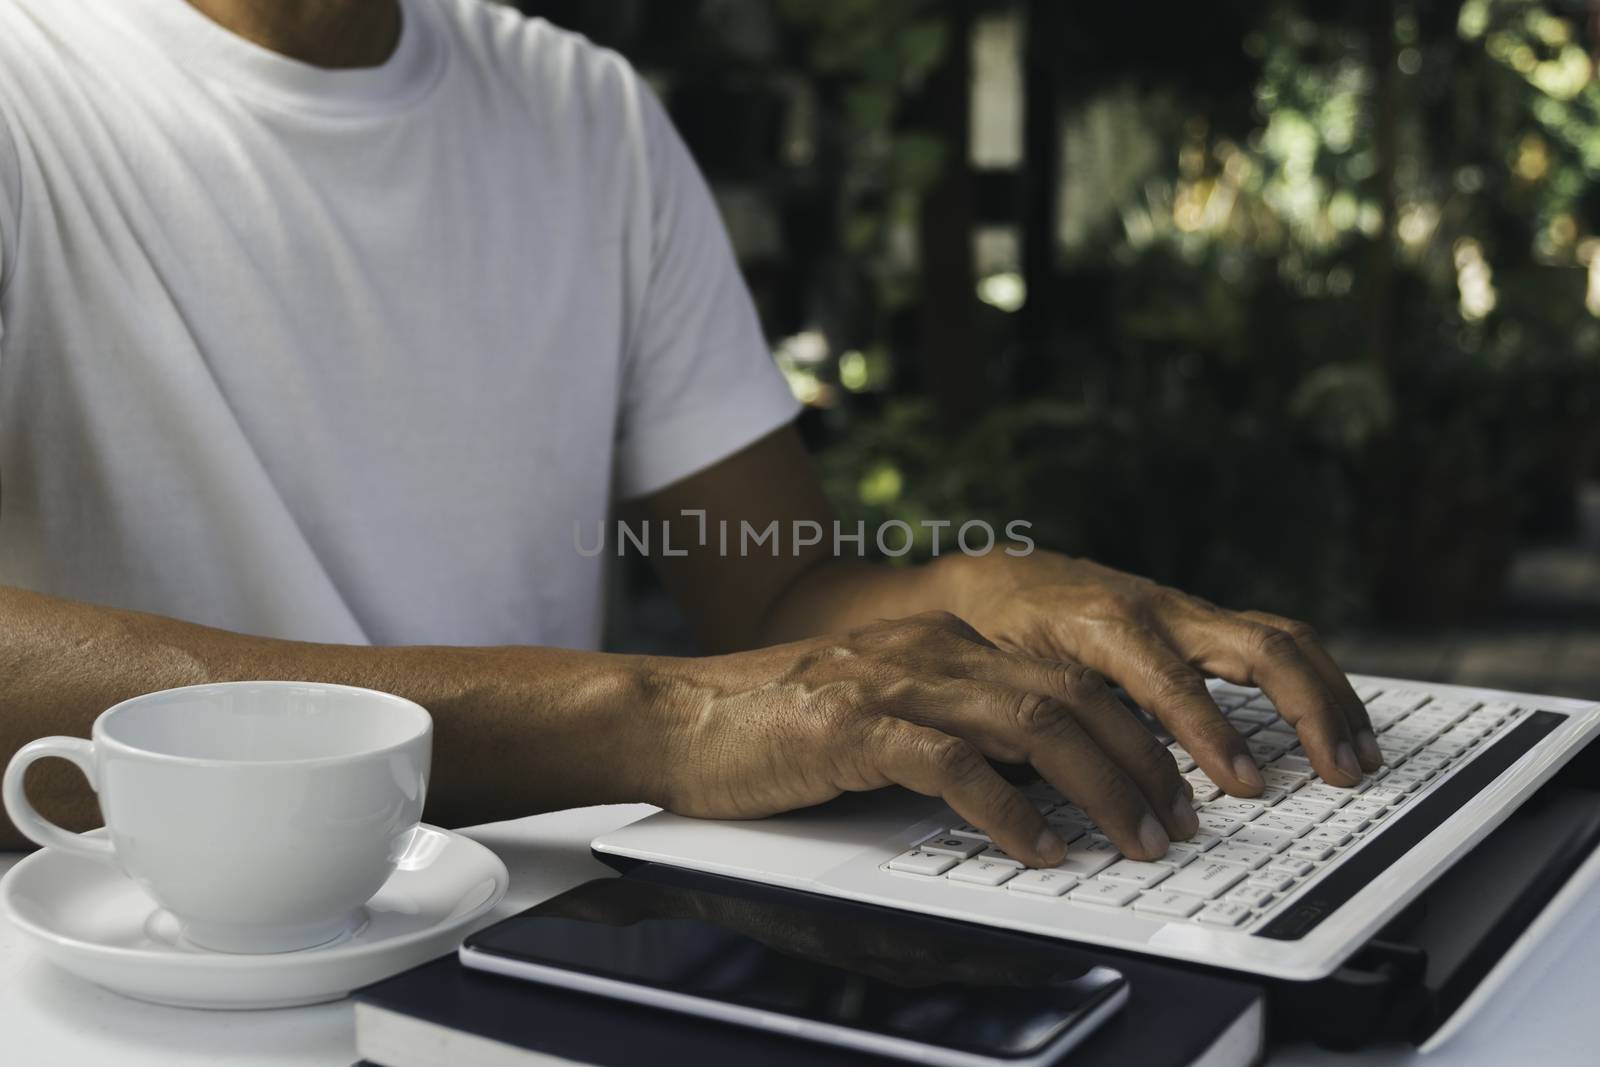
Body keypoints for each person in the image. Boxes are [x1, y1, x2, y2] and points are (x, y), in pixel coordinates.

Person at [0, 0, 1381, 863]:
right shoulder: (28, 81)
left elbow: (775, 590)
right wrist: (641, 717)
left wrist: (976, 589)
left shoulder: (583, 111)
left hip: (542, 948)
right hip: (145, 985)